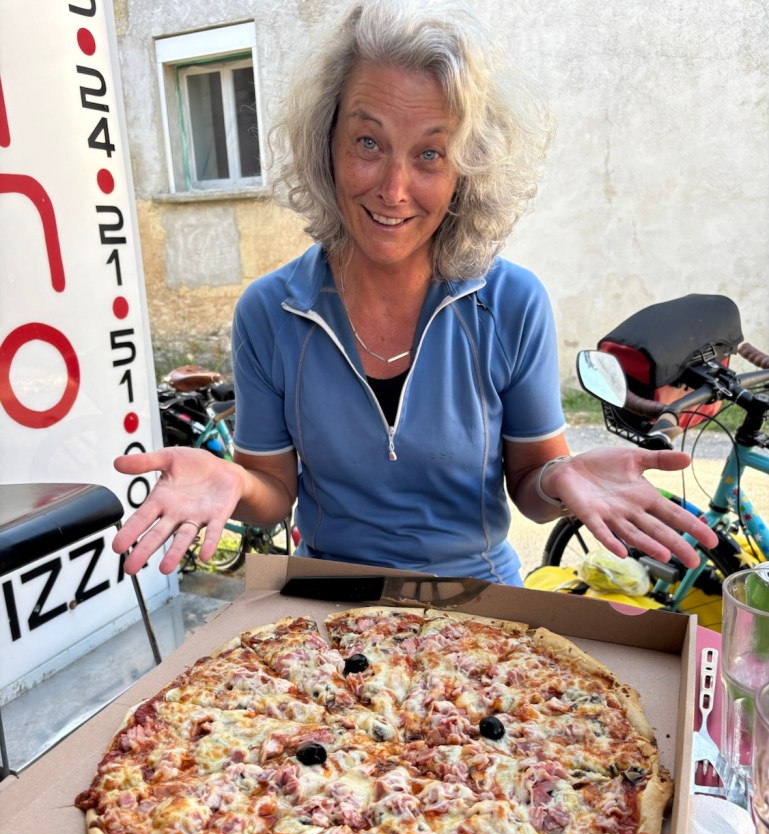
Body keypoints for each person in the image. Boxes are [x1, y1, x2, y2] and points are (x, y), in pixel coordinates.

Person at [114, 0, 716, 583]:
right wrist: (236, 481)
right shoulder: (269, 311)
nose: (394, 189)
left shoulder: (512, 303)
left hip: (480, 608)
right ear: (326, 143)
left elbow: (532, 486)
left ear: (466, 171)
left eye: (430, 153)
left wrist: (561, 478)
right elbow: (272, 493)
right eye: (368, 143)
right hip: (325, 610)